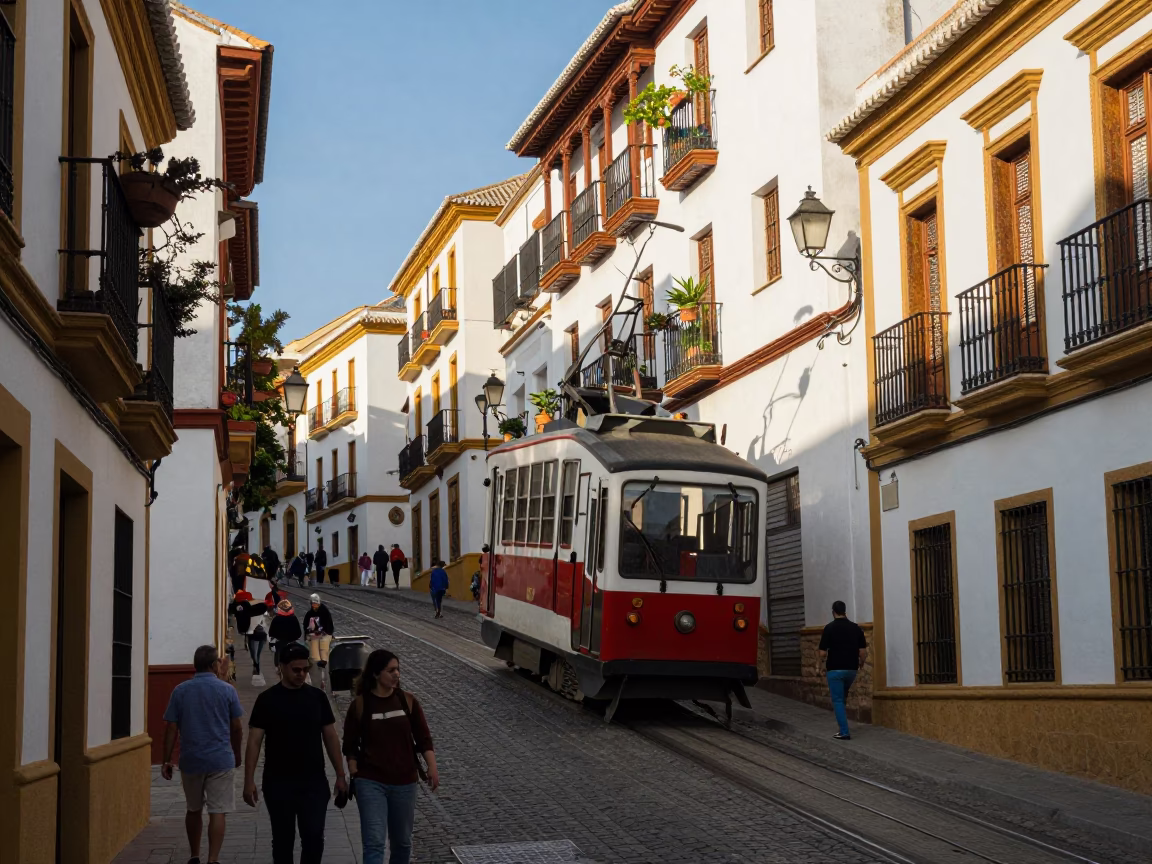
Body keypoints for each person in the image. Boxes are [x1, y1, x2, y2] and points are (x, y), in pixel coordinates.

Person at [244, 642, 348, 864]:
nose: (302, 674)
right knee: (283, 841)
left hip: (313, 782)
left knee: (313, 838)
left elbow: (330, 737)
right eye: (296, 670)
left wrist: (340, 774)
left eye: (305, 669)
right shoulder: (267, 700)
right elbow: (254, 742)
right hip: (278, 783)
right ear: (281, 667)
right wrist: (248, 780)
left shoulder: (317, 698)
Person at [342, 650, 439, 864]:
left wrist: (432, 766)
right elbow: (349, 743)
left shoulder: (408, 701)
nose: (397, 674)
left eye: (398, 669)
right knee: (374, 842)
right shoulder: (360, 705)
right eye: (391, 670)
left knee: (402, 843)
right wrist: (353, 768)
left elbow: (423, 738)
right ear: (376, 674)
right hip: (370, 781)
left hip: (404, 781)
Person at [161, 645, 244, 864]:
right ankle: (213, 859)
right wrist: (237, 753)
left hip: (191, 759)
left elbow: (171, 727)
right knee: (218, 811)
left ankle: (194, 855)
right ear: (213, 665)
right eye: (218, 661)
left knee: (193, 809)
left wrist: (166, 759)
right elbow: (236, 727)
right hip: (220, 758)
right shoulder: (227, 690)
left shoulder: (180, 690)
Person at [818, 600, 868, 740]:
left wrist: (820, 663)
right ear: (845, 611)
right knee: (843, 697)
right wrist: (861, 664)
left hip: (835, 669)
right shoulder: (856, 628)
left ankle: (844, 731)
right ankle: (842, 726)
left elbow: (822, 653)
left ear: (833, 612)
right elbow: (863, 652)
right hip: (851, 670)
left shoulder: (829, 628)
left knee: (838, 700)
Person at [302, 594, 335, 689]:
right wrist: (309, 632)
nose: (314, 606)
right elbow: (306, 626)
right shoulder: (309, 613)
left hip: (324, 635)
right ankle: (318, 675)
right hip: (314, 637)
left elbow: (329, 626)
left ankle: (323, 667)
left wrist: (323, 631)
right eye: (313, 604)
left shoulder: (324, 612)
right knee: (315, 656)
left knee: (323, 651)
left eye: (316, 604)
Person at [268, 599, 302, 669]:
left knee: (279, 661)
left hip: (280, 643)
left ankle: (280, 672)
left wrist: (271, 644)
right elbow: (299, 633)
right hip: (291, 643)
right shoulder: (294, 618)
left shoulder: (276, 619)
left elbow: (271, 633)